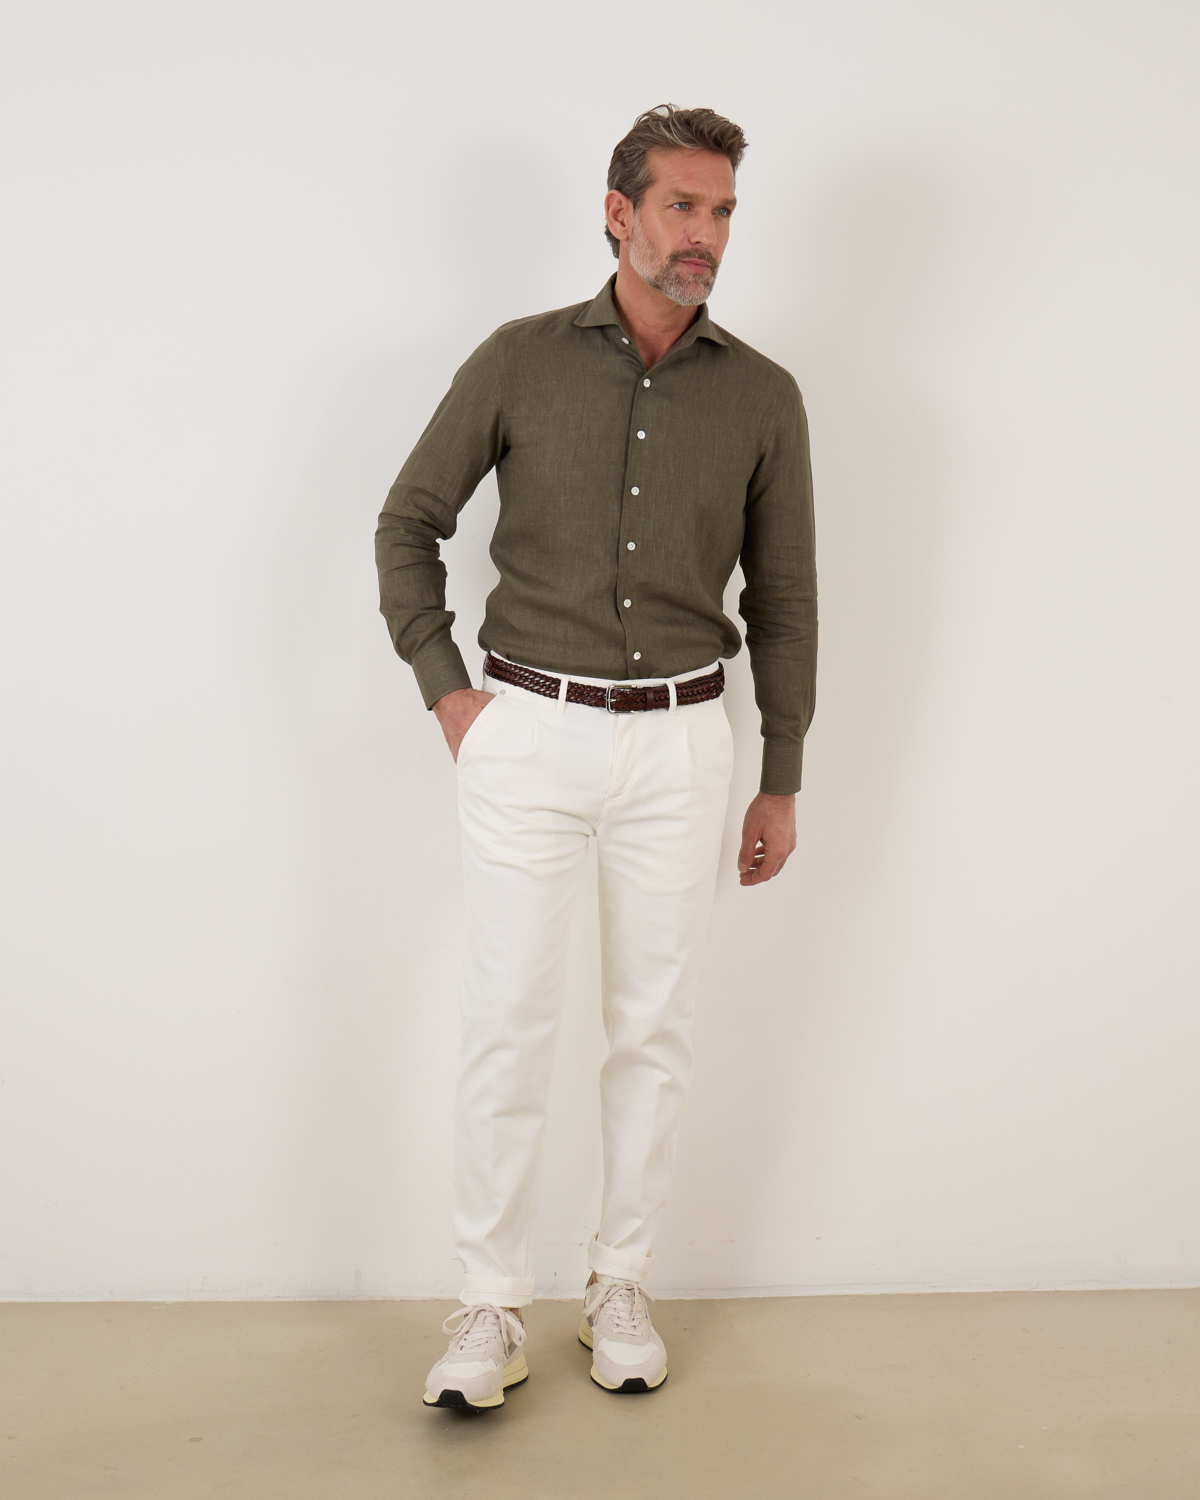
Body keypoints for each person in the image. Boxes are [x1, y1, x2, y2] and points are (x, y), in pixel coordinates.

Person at [375, 103, 817, 1411]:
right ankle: (487, 1305)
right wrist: (451, 696)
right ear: (619, 214)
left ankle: (620, 1280)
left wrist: (781, 771)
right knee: (508, 1020)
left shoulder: (764, 396)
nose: (705, 234)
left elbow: (786, 599)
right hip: (525, 731)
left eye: (722, 210)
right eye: (682, 205)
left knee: (654, 1030)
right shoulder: (519, 361)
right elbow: (408, 521)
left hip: (682, 746)